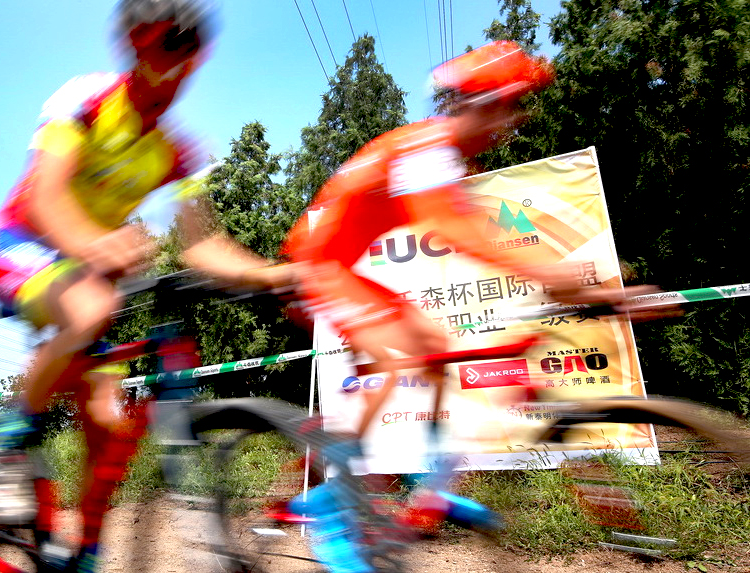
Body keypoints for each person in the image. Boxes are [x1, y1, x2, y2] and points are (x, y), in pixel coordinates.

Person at [278, 41, 662, 572]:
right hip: (318, 266)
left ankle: (430, 488)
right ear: (484, 103)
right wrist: (559, 277)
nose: (515, 121)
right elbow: (451, 231)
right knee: (399, 356)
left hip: (347, 268)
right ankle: (334, 505)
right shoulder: (428, 148)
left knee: (433, 350)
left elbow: (472, 235)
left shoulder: (448, 155)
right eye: (512, 106)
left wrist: (560, 282)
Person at [0, 1, 268, 570]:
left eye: (192, 54)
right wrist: (97, 244)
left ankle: (83, 552)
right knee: (93, 306)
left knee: (111, 426)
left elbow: (204, 246)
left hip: (84, 275)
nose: (180, 67)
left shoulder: (179, 151)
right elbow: (45, 198)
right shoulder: (85, 99)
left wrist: (279, 274)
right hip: (19, 247)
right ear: (137, 45)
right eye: (168, 47)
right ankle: (4, 449)